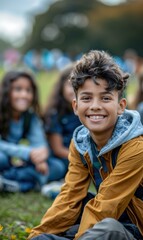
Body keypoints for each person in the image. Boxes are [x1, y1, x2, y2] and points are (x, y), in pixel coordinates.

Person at [28, 50, 143, 240]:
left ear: (121, 106)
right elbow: (70, 196)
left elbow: (107, 204)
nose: (95, 106)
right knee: (49, 232)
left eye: (105, 98)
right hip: (111, 218)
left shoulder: (136, 147)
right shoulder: (80, 143)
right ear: (75, 105)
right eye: (87, 98)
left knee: (107, 229)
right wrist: (36, 235)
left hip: (135, 226)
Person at [0, 70, 65, 192]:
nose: (24, 95)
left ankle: (7, 182)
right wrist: (27, 153)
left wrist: (40, 157)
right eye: (18, 89)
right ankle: (28, 184)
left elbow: (40, 143)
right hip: (4, 158)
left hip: (15, 164)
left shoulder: (30, 117)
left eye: (28, 90)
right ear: (6, 91)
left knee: (57, 167)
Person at [41, 64, 81, 198]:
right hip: (61, 158)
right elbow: (58, 149)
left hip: (80, 158)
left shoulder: (86, 112)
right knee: (59, 168)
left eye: (80, 86)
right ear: (61, 87)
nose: (75, 90)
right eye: (71, 85)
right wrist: (83, 159)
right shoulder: (55, 113)